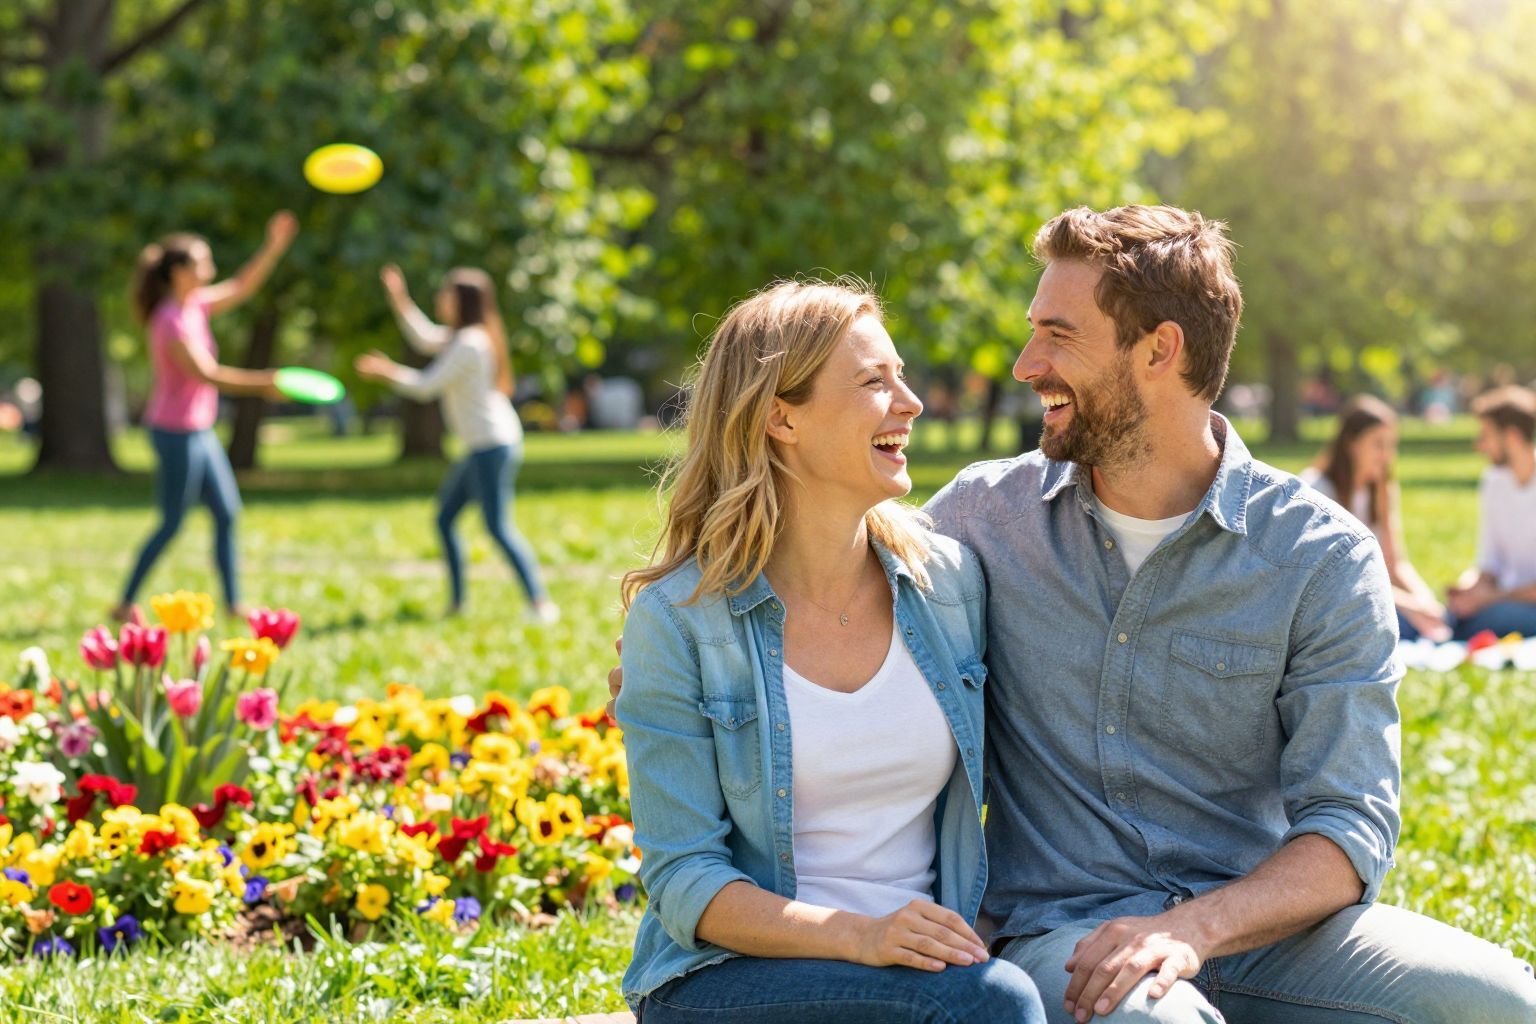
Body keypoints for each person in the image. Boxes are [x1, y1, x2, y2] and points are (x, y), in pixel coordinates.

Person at [608, 208, 1536, 1023]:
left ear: (1159, 350)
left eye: (1057, 334)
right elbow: (815, 565)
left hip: (1254, 924)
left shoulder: (1319, 557)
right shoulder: (982, 523)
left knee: (1498, 1003)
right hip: (1064, 934)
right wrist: (670, 660)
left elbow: (1350, 824)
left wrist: (1192, 930)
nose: (1025, 365)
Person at [614, 280, 1045, 1023]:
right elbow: (684, 878)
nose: (910, 403)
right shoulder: (682, 621)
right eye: (875, 382)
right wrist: (861, 936)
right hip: (729, 977)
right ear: (781, 416)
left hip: (920, 968)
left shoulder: (949, 586)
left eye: (902, 376)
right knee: (992, 1006)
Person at [116, 212, 298, 620]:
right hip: (173, 432)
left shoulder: (194, 305)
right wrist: (266, 383)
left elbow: (242, 286)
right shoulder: (169, 321)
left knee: (227, 513)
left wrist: (274, 246)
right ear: (179, 272)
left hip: (200, 430)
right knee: (171, 523)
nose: (210, 269)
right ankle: (125, 601)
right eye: (202, 262)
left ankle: (234, 603)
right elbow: (208, 374)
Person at [356, 265, 557, 622]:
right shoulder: (460, 337)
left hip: (492, 445)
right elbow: (422, 336)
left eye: (447, 293)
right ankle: (458, 603)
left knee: (497, 526)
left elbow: (425, 385)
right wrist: (399, 299)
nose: (440, 298)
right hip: (482, 445)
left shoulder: (469, 343)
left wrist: (386, 372)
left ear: (462, 301)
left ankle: (540, 602)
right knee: (446, 518)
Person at [1298, 395, 1450, 641]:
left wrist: (1425, 601)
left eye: (1392, 445)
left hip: (1379, 597)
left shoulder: (1382, 489)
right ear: (1351, 443)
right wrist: (1407, 604)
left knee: (1436, 619)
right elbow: (1338, 580)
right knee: (1394, 621)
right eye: (1378, 444)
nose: (1387, 455)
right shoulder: (1316, 489)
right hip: (1334, 603)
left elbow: (1396, 563)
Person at [1446, 385, 1536, 641]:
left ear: (1512, 436)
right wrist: (1469, 589)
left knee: (1488, 620)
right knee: (1455, 616)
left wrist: (1492, 598)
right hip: (1505, 601)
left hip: (1520, 605)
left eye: (1486, 435)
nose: (1479, 445)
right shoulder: (1494, 482)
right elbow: (1490, 564)